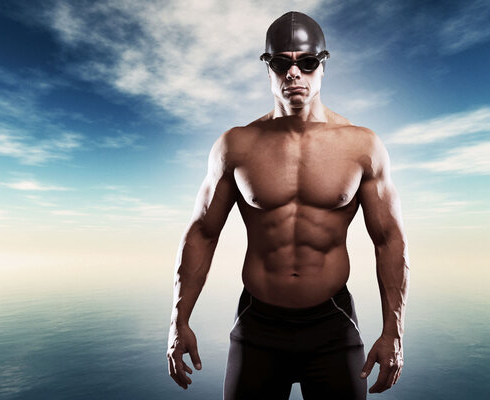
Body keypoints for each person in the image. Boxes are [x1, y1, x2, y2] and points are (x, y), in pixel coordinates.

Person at [166, 11, 410, 400]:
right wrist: (179, 321)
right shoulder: (236, 145)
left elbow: (389, 240)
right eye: (282, 63)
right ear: (268, 69)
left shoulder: (362, 146)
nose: (294, 73)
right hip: (258, 324)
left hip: (331, 321)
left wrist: (393, 332)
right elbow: (203, 232)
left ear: (323, 66)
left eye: (307, 62)